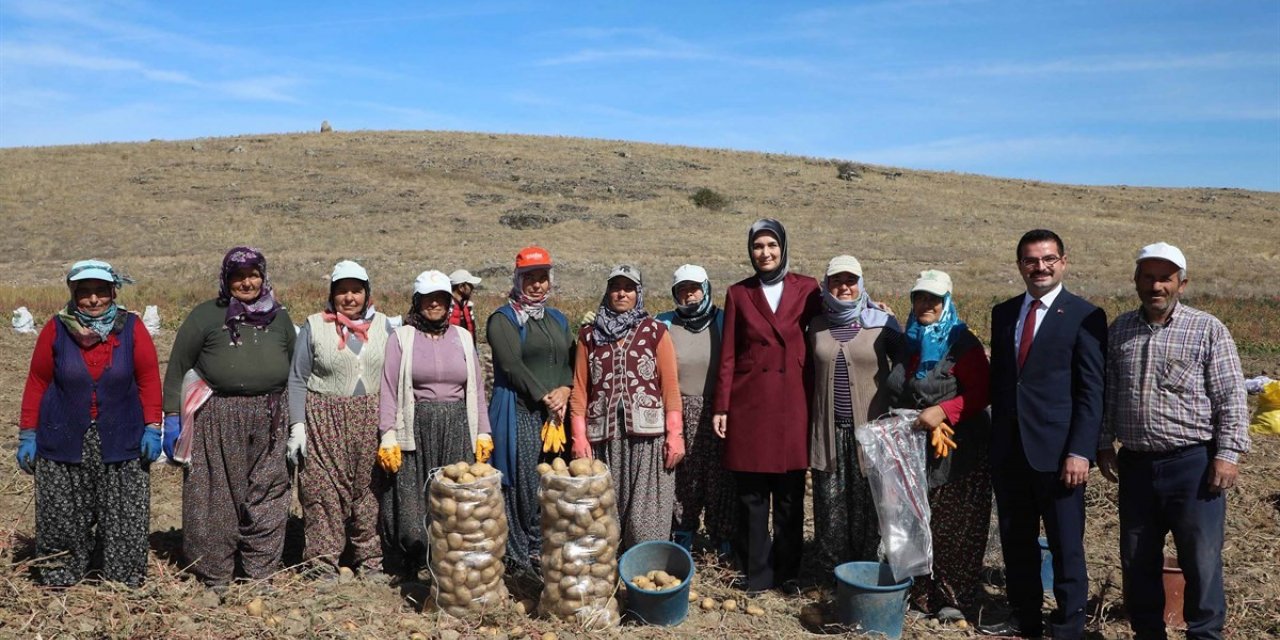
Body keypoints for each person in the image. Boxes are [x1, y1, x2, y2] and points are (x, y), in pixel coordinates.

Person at [1097, 243, 1250, 640]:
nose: (1155, 286)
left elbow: (1231, 396)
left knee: (1201, 560)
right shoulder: (1121, 329)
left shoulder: (1207, 329)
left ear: (1182, 283)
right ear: (1136, 282)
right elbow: (1109, 393)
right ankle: (1148, 634)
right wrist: (1103, 442)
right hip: (1136, 464)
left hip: (1193, 466)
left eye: (1164, 278)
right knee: (1137, 560)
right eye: (1147, 277)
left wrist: (1228, 455)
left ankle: (1204, 634)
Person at [981, 230, 1106, 640]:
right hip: (1010, 453)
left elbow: (1091, 392)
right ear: (1020, 265)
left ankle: (1069, 628)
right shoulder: (1004, 313)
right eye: (1032, 260)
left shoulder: (1084, 315)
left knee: (1066, 546)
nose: (1040, 267)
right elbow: (1004, 384)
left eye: (1048, 259)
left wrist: (1080, 452)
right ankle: (1027, 621)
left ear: (1063, 262)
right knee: (1017, 544)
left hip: (1058, 456)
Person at [16, 260, 162, 587]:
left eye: (101, 292)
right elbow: (38, 381)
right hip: (63, 435)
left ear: (113, 292)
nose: (93, 300)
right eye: (84, 293)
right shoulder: (56, 328)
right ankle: (61, 578)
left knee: (124, 515)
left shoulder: (131, 327)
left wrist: (153, 426)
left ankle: (122, 579)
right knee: (62, 515)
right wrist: (28, 433)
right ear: (73, 294)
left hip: (122, 436)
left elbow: (149, 379)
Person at [163, 247, 296, 595]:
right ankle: (215, 573)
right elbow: (177, 367)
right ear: (226, 279)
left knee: (269, 492)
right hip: (219, 414)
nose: (247, 282)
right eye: (238, 276)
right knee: (215, 494)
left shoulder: (279, 318)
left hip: (272, 415)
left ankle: (259, 571)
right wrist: (171, 417)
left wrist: (298, 421)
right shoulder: (206, 316)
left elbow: (296, 369)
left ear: (263, 277)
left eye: (253, 275)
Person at [713, 218, 823, 593]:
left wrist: (871, 308)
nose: (765, 253)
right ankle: (755, 574)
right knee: (752, 495)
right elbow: (728, 354)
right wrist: (722, 407)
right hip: (750, 403)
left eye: (771, 246)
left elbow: (836, 314)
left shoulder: (807, 289)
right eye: (758, 246)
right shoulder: (739, 293)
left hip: (793, 400)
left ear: (783, 248)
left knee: (791, 494)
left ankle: (788, 574)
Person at [885, 269, 991, 623]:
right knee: (918, 521)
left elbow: (982, 393)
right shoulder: (909, 340)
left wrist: (945, 410)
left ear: (947, 302)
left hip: (958, 450)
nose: (925, 304)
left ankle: (953, 598)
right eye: (919, 297)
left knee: (953, 524)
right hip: (916, 449)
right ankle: (919, 594)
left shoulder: (963, 343)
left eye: (933, 299)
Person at [377, 270, 491, 580]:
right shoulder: (402, 337)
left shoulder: (462, 337)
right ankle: (414, 559)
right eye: (428, 299)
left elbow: (476, 389)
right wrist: (388, 434)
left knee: (453, 497)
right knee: (413, 499)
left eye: (441, 298)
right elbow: (388, 387)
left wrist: (482, 431)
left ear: (449, 301)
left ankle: (450, 560)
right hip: (416, 425)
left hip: (456, 424)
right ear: (417, 301)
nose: (435, 304)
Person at [287, 260, 391, 581]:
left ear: (366, 294)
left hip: (370, 420)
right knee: (322, 492)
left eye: (356, 291)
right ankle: (322, 565)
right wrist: (298, 426)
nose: (349, 297)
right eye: (342, 291)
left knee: (369, 492)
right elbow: (297, 378)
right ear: (332, 295)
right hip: (323, 421)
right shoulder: (314, 326)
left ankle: (370, 561)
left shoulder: (386, 326)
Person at [569, 264, 684, 547]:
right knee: (603, 514)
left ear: (638, 292)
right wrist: (579, 437)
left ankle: (643, 574)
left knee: (646, 516)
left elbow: (669, 387)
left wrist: (675, 435)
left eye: (629, 288)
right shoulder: (589, 335)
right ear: (607, 291)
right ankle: (607, 576)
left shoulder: (655, 332)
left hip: (648, 438)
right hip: (604, 438)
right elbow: (581, 390)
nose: (621, 294)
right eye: (615, 287)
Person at [808, 255, 901, 576]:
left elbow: (906, 365)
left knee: (871, 508)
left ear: (861, 284)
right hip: (828, 432)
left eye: (850, 280)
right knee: (831, 507)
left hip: (872, 435)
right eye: (837, 281)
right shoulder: (816, 326)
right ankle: (832, 575)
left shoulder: (883, 324)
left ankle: (868, 574)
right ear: (827, 285)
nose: (844, 287)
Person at [486, 246, 574, 575]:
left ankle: (540, 550)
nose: (537, 285)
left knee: (548, 483)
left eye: (542, 278)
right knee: (522, 485)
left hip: (555, 416)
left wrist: (565, 390)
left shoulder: (557, 319)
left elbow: (569, 359)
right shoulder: (503, 319)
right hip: (522, 412)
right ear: (518, 280)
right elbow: (511, 365)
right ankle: (518, 557)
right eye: (530, 278)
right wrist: (545, 396)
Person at [655, 264, 736, 553]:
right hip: (679, 408)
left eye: (695, 288)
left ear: (706, 288)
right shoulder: (663, 324)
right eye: (682, 289)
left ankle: (721, 539)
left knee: (720, 477)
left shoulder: (725, 321)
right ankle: (683, 536)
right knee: (682, 478)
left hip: (718, 411)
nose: (689, 295)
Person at [448, 269, 482, 343]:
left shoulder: (466, 306)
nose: (472, 287)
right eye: (469, 285)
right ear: (461, 287)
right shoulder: (446, 308)